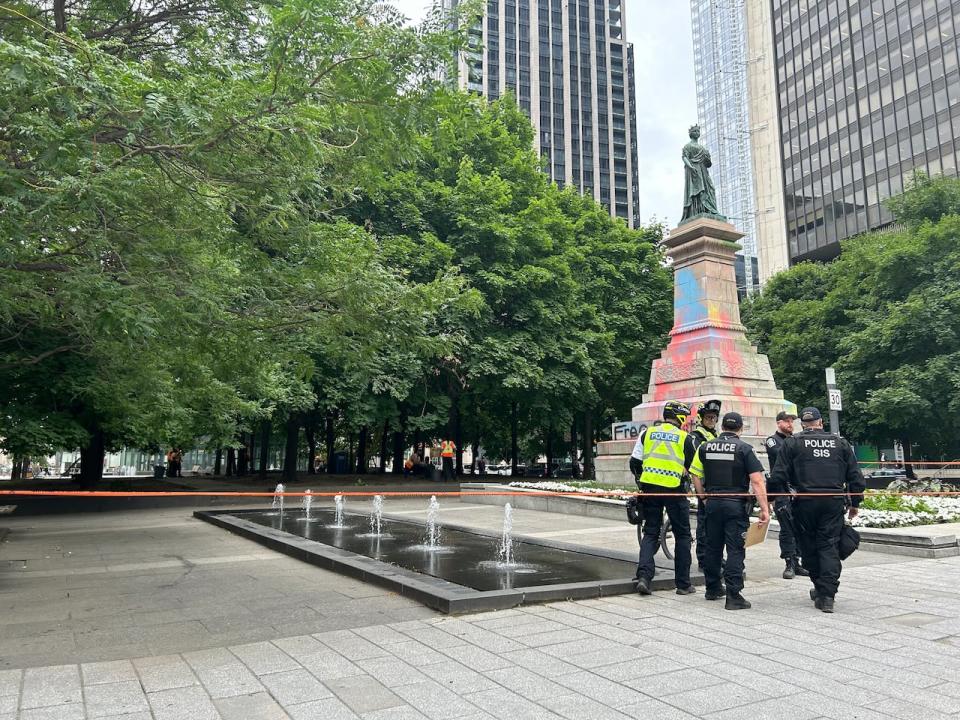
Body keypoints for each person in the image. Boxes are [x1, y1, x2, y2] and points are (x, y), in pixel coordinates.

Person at [769, 407, 865, 613]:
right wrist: (855, 503)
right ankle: (827, 594)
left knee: (809, 546)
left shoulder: (792, 443)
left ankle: (821, 589)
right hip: (832, 502)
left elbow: (778, 476)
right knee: (829, 545)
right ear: (821, 423)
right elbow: (856, 477)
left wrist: (773, 499)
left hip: (805, 502)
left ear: (802, 424)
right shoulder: (840, 443)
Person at [689, 412, 770, 610]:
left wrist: (703, 498)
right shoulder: (745, 449)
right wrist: (765, 509)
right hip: (735, 504)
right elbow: (757, 481)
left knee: (713, 547)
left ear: (722, 426)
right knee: (735, 549)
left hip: (713, 504)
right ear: (740, 429)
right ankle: (734, 595)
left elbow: (695, 474)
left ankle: (713, 588)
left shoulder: (705, 446)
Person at [629, 400, 698, 596]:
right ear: (681, 418)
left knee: (650, 532)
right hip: (675, 491)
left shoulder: (647, 433)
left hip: (650, 489)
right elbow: (695, 467)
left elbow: (634, 462)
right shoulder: (685, 438)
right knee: (683, 535)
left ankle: (643, 577)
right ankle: (683, 584)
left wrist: (642, 482)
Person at [765, 410, 808, 580]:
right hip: (781, 489)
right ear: (779, 423)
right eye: (787, 421)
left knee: (798, 527)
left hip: (797, 488)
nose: (791, 424)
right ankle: (789, 562)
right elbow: (781, 455)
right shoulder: (772, 440)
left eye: (792, 421)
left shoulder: (794, 440)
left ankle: (798, 562)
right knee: (787, 529)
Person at [690, 400, 721, 571]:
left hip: (716, 486)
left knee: (715, 527)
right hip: (704, 485)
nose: (711, 420)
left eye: (714, 417)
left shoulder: (714, 436)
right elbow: (697, 466)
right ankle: (703, 559)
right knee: (703, 526)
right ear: (701, 418)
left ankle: (715, 558)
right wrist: (701, 493)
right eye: (708, 417)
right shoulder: (696, 436)